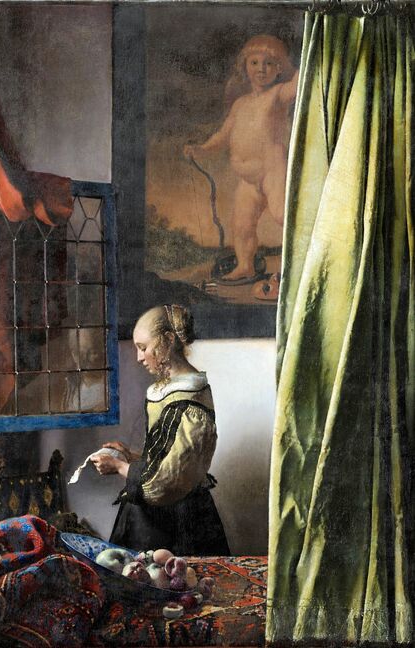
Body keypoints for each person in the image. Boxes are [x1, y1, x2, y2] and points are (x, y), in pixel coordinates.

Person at [91, 304, 230, 555]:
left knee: (167, 574)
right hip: (155, 514)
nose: (139, 357)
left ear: (168, 340)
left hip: (175, 521)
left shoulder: (189, 401)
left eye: (143, 347)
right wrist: (131, 455)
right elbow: (166, 454)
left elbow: (167, 481)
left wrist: (120, 467)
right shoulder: (168, 390)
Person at [184, 35, 298, 283]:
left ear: (279, 69)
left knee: (283, 215)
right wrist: (202, 148)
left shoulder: (278, 94)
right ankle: (245, 266)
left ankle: (302, 263)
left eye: (269, 63)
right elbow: (223, 135)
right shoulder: (240, 104)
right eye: (254, 63)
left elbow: (297, 85)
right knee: (242, 224)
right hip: (247, 180)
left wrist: (302, 65)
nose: (261, 69)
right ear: (245, 66)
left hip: (273, 171)